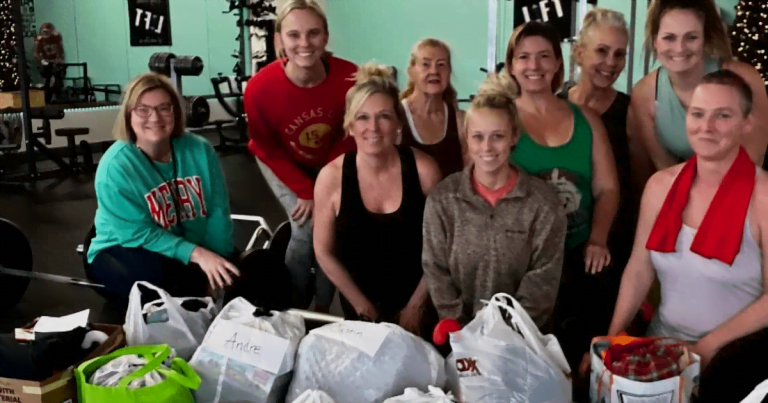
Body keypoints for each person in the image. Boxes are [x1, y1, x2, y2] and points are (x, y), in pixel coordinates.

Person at [607, 69, 768, 403]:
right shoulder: (660, 186)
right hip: (663, 348)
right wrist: (612, 336)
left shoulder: (764, 197)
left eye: (722, 116)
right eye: (697, 114)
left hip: (736, 358)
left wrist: (706, 348)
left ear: (746, 123)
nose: (706, 127)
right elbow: (640, 267)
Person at [506, 21, 620, 373]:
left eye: (544, 56)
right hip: (523, 261)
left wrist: (598, 239)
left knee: (583, 360)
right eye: (524, 57)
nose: (534, 65)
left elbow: (607, 189)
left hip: (581, 254)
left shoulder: (586, 119)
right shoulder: (501, 118)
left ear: (558, 63)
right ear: (511, 65)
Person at [422, 71, 566, 328]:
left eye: (497, 136)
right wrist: (458, 325)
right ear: (466, 137)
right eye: (478, 136)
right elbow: (435, 268)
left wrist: (505, 331)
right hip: (458, 340)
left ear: (514, 137)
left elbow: (542, 279)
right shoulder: (443, 200)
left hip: (521, 340)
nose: (487, 147)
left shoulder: (543, 204)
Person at [87, 72, 240, 309]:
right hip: (123, 247)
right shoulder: (115, 167)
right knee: (161, 286)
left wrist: (217, 260)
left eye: (164, 108)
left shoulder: (200, 150)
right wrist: (198, 256)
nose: (155, 117)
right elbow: (137, 234)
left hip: (184, 246)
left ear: (175, 112)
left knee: (237, 277)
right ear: (129, 115)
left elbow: (217, 210)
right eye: (143, 110)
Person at [243, 0, 358, 312]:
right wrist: (307, 192)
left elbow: (350, 134)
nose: (304, 44)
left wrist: (323, 185)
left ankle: (320, 310)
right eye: (294, 35)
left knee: (332, 226)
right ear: (280, 38)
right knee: (307, 229)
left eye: (313, 34)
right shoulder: (259, 89)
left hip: (330, 161)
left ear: (325, 36)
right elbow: (266, 147)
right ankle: (290, 309)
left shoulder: (350, 78)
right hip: (278, 159)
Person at [313, 62, 442, 335]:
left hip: (422, 303)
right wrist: (362, 306)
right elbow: (323, 251)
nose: (373, 127)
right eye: (362, 117)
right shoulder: (331, 177)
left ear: (397, 124)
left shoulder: (424, 171)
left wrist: (417, 305)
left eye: (383, 116)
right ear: (349, 126)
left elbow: (442, 246)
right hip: (361, 309)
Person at [561, 8, 652, 314]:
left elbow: (640, 184)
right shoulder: (553, 105)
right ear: (578, 53)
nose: (611, 63)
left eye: (619, 54)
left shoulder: (630, 112)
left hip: (611, 248)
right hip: (556, 244)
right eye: (602, 51)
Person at [632, 0, 768, 170]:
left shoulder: (745, 78)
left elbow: (755, 154)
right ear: (655, 41)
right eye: (669, 38)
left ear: (704, 39)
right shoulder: (644, 93)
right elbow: (661, 165)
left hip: (743, 185)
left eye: (691, 37)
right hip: (681, 189)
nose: (680, 48)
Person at [399, 38, 467, 177]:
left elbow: (469, 178)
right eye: (426, 64)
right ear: (411, 72)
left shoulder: (461, 121)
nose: (434, 71)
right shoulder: (396, 117)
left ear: (449, 72)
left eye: (441, 65)